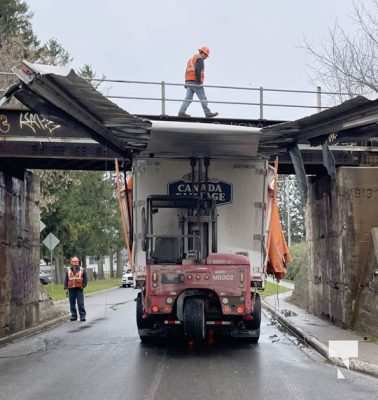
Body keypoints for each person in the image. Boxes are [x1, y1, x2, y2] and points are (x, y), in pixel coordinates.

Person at [178, 46, 218, 118]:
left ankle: (181, 112)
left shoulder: (191, 59)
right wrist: (199, 81)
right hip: (196, 82)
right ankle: (208, 113)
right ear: (203, 53)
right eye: (206, 55)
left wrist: (186, 82)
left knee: (188, 98)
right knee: (203, 98)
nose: (206, 57)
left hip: (189, 81)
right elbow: (198, 70)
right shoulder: (200, 59)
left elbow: (187, 71)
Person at [64, 256, 88, 321]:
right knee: (72, 303)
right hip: (71, 289)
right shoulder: (68, 270)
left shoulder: (82, 269)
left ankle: (82, 316)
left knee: (80, 303)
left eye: (76, 261)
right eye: (74, 261)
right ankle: (74, 316)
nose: (75, 263)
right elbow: (66, 279)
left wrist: (83, 286)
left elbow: (85, 279)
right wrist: (65, 288)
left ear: (78, 262)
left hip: (79, 289)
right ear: (71, 262)